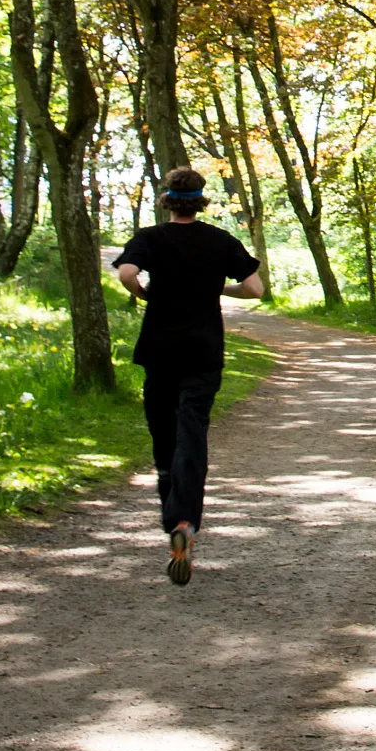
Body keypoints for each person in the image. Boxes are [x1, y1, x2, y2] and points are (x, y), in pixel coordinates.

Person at [113, 168, 264, 585]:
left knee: (164, 438)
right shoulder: (220, 241)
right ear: (201, 202)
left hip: (159, 350)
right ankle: (186, 525)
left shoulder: (150, 238)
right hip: (203, 352)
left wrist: (145, 293)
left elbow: (127, 274)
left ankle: (172, 520)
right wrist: (219, 290)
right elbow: (255, 290)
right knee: (192, 433)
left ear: (166, 201)